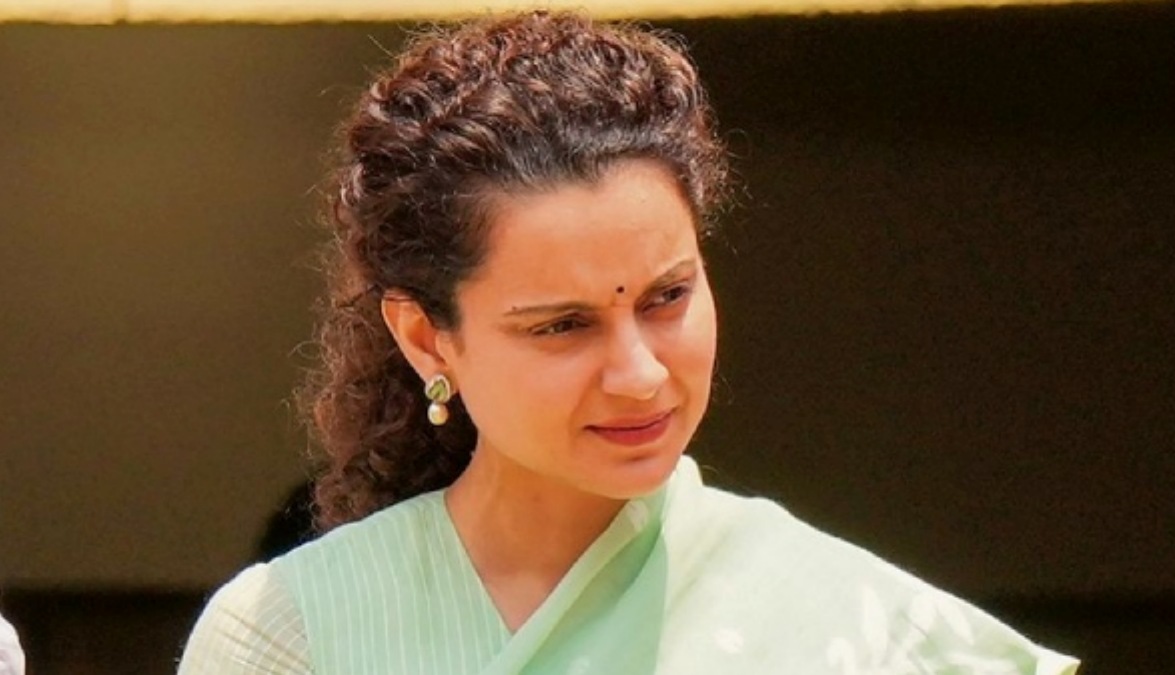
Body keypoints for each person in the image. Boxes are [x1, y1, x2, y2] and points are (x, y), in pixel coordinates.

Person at [179, 11, 1079, 674]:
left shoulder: (863, 635)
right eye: (562, 325)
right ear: (426, 337)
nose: (641, 373)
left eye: (668, 296)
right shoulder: (294, 633)